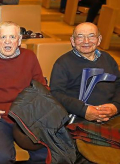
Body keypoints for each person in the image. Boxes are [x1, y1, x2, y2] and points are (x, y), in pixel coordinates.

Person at [0, 21, 48, 164]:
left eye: (12, 37)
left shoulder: (29, 57)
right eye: (3, 37)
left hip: (26, 116)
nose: (7, 41)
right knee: (1, 158)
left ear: (19, 41)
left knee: (47, 154)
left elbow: (41, 86)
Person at [50, 22, 120, 162]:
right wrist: (84, 110)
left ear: (99, 39)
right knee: (91, 156)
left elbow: (119, 85)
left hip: (112, 117)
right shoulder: (63, 63)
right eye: (80, 37)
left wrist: (115, 107)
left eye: (91, 36)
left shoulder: (108, 60)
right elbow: (56, 94)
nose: (86, 41)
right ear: (72, 41)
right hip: (79, 119)